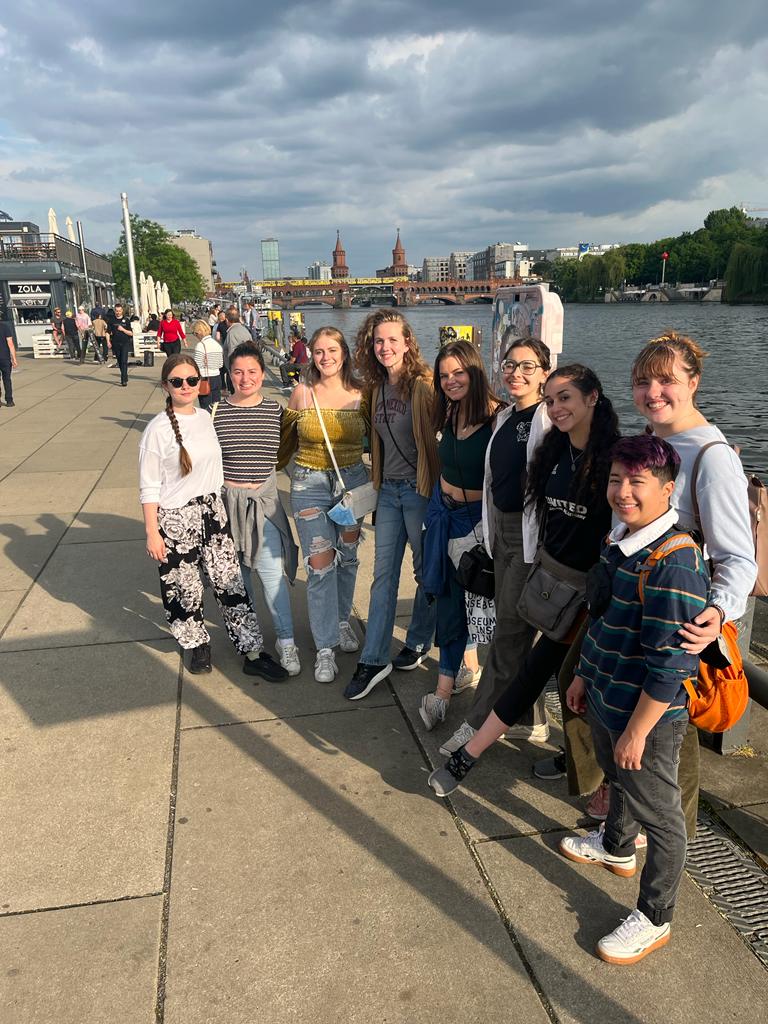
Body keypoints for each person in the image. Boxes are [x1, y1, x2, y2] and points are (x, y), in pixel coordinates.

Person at [428, 364, 619, 786]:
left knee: (581, 681)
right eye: (551, 400)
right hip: (553, 577)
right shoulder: (554, 448)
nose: (556, 407)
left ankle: (606, 790)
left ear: (593, 398)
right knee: (537, 668)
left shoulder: (613, 458)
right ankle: (474, 753)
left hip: (594, 590)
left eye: (565, 397)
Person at [558, 435, 708, 964]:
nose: (622, 491)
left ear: (668, 490)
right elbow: (602, 621)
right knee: (617, 779)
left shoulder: (675, 563)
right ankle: (616, 846)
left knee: (662, 815)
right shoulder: (622, 537)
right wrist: (581, 677)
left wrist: (639, 731)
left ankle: (655, 915)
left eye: (636, 482)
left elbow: (672, 666)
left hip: (646, 714)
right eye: (616, 479)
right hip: (605, 692)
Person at [138, 354, 286, 680]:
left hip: (212, 512)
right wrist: (152, 532)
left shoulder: (207, 417)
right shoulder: (157, 430)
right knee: (184, 588)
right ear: (166, 386)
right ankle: (197, 644)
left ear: (200, 382)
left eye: (191, 380)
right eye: (177, 381)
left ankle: (252, 651)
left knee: (230, 583)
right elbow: (149, 486)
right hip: (176, 517)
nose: (186, 386)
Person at [439, 333, 551, 755]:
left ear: (544, 373)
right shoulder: (505, 419)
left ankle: (477, 723)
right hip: (500, 534)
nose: (516, 373)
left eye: (527, 366)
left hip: (527, 540)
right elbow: (492, 482)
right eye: (509, 365)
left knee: (507, 634)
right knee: (513, 630)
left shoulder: (548, 418)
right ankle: (531, 718)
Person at [343, 310, 439, 700]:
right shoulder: (376, 389)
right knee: (383, 576)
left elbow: (453, 424)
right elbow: (376, 441)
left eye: (392, 340)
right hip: (389, 493)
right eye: (378, 341)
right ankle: (374, 657)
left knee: (426, 574)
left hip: (419, 492)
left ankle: (417, 641)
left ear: (407, 343)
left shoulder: (424, 385)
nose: (385, 348)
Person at [418, 339, 503, 730]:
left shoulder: (498, 419)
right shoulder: (450, 412)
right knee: (448, 601)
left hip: (473, 522)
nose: (451, 381)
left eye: (458, 373)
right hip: (442, 510)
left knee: (471, 604)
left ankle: (455, 692)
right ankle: (450, 684)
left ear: (474, 371)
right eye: (444, 375)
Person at [278, 327, 370, 683]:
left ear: (344, 353)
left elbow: (377, 440)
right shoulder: (302, 393)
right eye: (318, 351)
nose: (325, 357)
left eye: (332, 350)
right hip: (309, 484)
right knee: (319, 565)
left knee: (347, 559)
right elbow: (284, 442)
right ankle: (325, 648)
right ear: (311, 356)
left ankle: (342, 620)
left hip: (352, 485)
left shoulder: (362, 393)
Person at [214, 343, 301, 677]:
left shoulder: (277, 413)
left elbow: (294, 458)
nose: (245, 378)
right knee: (239, 581)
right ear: (229, 374)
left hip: (264, 505)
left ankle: (286, 641)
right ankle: (251, 646)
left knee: (272, 578)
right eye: (238, 372)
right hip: (228, 507)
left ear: (263, 375)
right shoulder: (217, 413)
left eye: (252, 372)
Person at [190, 319, 223, 411]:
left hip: (205, 378)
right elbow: (220, 364)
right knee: (216, 406)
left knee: (205, 406)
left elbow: (197, 365)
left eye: (195, 333)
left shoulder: (201, 345)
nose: (195, 336)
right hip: (217, 376)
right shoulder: (217, 345)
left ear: (199, 333)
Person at [106, 303, 134, 386]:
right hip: (115, 343)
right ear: (115, 311)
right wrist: (108, 341)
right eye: (116, 311)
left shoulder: (127, 320)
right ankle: (125, 375)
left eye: (119, 311)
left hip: (125, 343)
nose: (118, 312)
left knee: (124, 361)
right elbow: (107, 332)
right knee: (120, 361)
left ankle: (123, 380)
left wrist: (123, 330)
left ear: (122, 311)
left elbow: (131, 333)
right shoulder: (111, 320)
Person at [0, 317, 17, 407]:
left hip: (4, 358)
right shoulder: (5, 327)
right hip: (5, 358)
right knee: (7, 379)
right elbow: (10, 343)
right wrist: (14, 358)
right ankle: (9, 400)